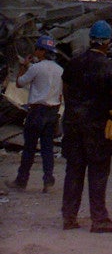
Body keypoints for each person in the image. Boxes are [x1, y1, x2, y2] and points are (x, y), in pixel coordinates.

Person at [61, 19, 112, 232]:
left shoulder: (73, 63)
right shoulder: (109, 67)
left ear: (91, 39)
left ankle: (69, 218)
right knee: (98, 172)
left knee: (74, 170)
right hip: (97, 127)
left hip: (73, 124)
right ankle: (99, 220)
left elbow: (65, 89)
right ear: (107, 42)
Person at [7, 35, 63, 193]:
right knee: (47, 148)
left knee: (29, 148)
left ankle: (21, 180)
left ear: (42, 51)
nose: (36, 51)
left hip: (37, 111)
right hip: (52, 112)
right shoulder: (60, 70)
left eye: (37, 49)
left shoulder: (36, 68)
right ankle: (48, 179)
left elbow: (19, 83)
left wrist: (23, 66)